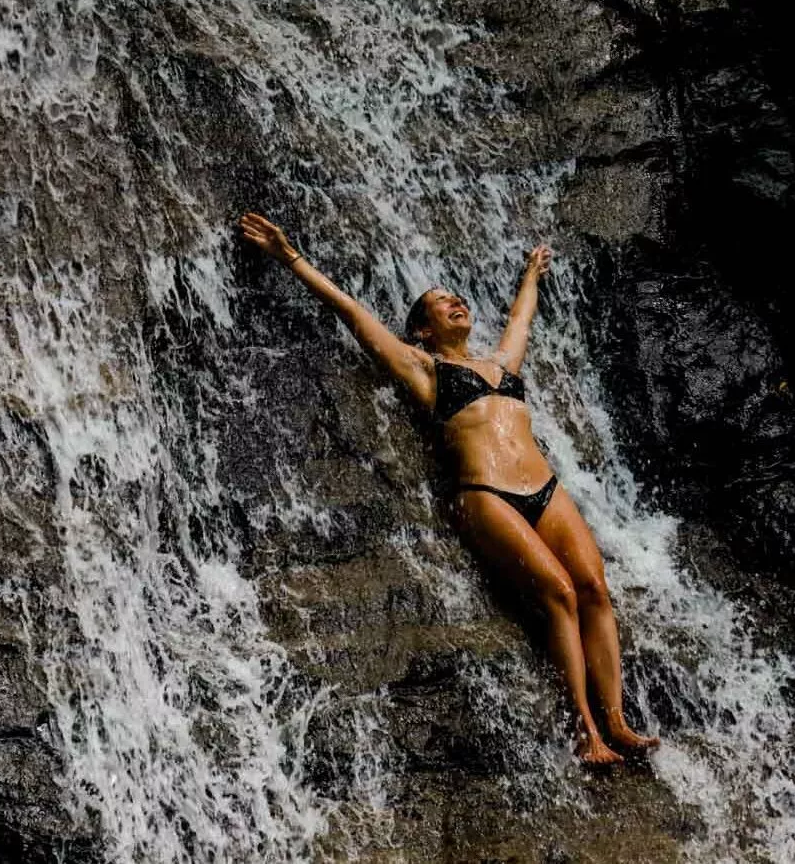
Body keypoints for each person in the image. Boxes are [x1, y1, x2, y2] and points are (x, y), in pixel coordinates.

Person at [239, 212, 660, 764]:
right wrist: (289, 256)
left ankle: (618, 721)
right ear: (422, 329)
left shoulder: (500, 365)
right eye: (442, 302)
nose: (456, 302)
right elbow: (351, 310)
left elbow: (520, 322)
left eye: (458, 298)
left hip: (545, 489)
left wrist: (532, 275)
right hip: (487, 493)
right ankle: (586, 733)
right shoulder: (423, 368)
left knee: (594, 590)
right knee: (558, 592)